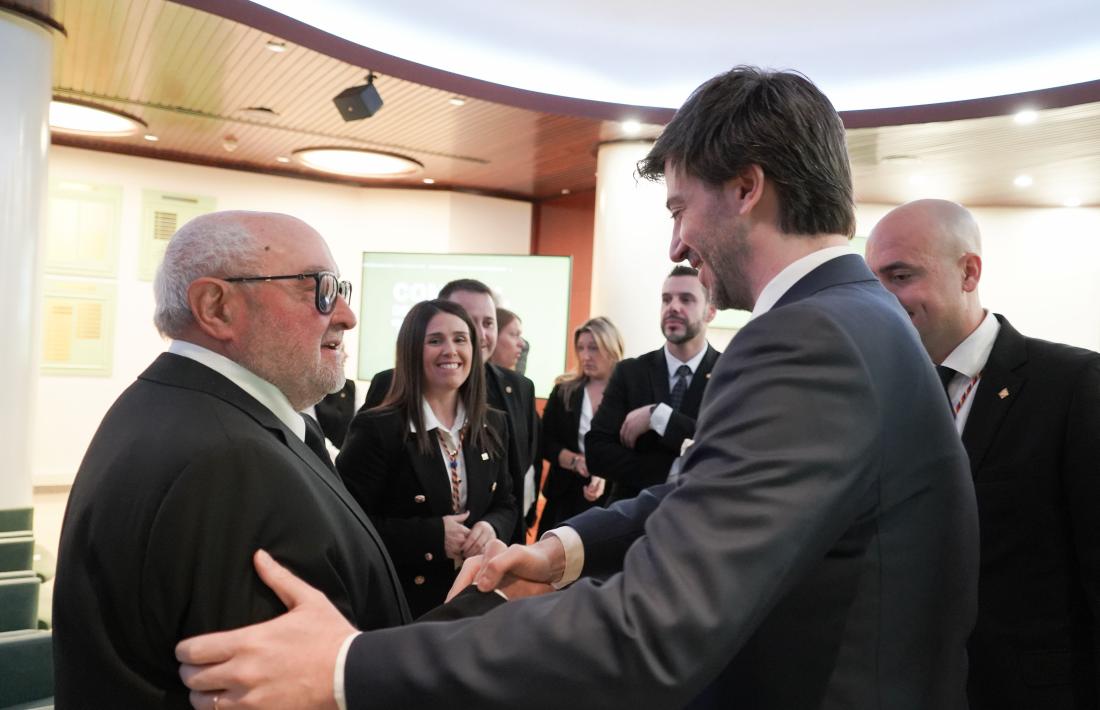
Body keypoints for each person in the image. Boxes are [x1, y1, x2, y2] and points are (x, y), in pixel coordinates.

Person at [176, 67, 978, 710]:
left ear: (745, 188)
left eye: (679, 207)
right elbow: (708, 498)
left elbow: (651, 631)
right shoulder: (854, 320)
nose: (677, 241)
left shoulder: (806, 337)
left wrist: (351, 666)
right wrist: (566, 548)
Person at [51, 211, 411, 706]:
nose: (346, 315)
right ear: (216, 307)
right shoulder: (233, 460)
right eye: (319, 289)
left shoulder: (174, 406)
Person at [865, 199, 1100, 710]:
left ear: (969, 272)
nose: (882, 299)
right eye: (873, 282)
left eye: (901, 275)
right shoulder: (881, 397)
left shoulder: (1073, 384)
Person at [336, 300, 516, 617]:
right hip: (403, 607)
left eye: (461, 339)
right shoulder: (379, 428)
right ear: (411, 350)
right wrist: (430, 537)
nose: (450, 350)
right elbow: (346, 524)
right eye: (435, 340)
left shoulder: (493, 423)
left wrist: (491, 526)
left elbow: (506, 502)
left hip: (474, 602)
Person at [363, 280, 539, 542]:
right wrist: (431, 535)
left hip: (483, 567)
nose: (480, 333)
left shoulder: (517, 391)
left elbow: (513, 485)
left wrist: (494, 529)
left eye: (488, 323)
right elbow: (359, 511)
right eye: (467, 321)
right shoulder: (385, 405)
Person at [586, 265, 720, 503]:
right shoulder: (630, 372)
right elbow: (597, 453)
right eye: (666, 299)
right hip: (629, 521)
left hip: (700, 519)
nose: (673, 307)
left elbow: (720, 448)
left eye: (686, 299)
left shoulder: (727, 371)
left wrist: (659, 416)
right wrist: (671, 471)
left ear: (710, 312)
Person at [537, 317, 624, 537]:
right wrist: (576, 461)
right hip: (564, 496)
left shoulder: (628, 394)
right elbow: (545, 442)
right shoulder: (564, 391)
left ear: (612, 348)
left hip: (613, 498)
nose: (586, 356)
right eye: (581, 348)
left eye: (594, 348)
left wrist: (604, 471)